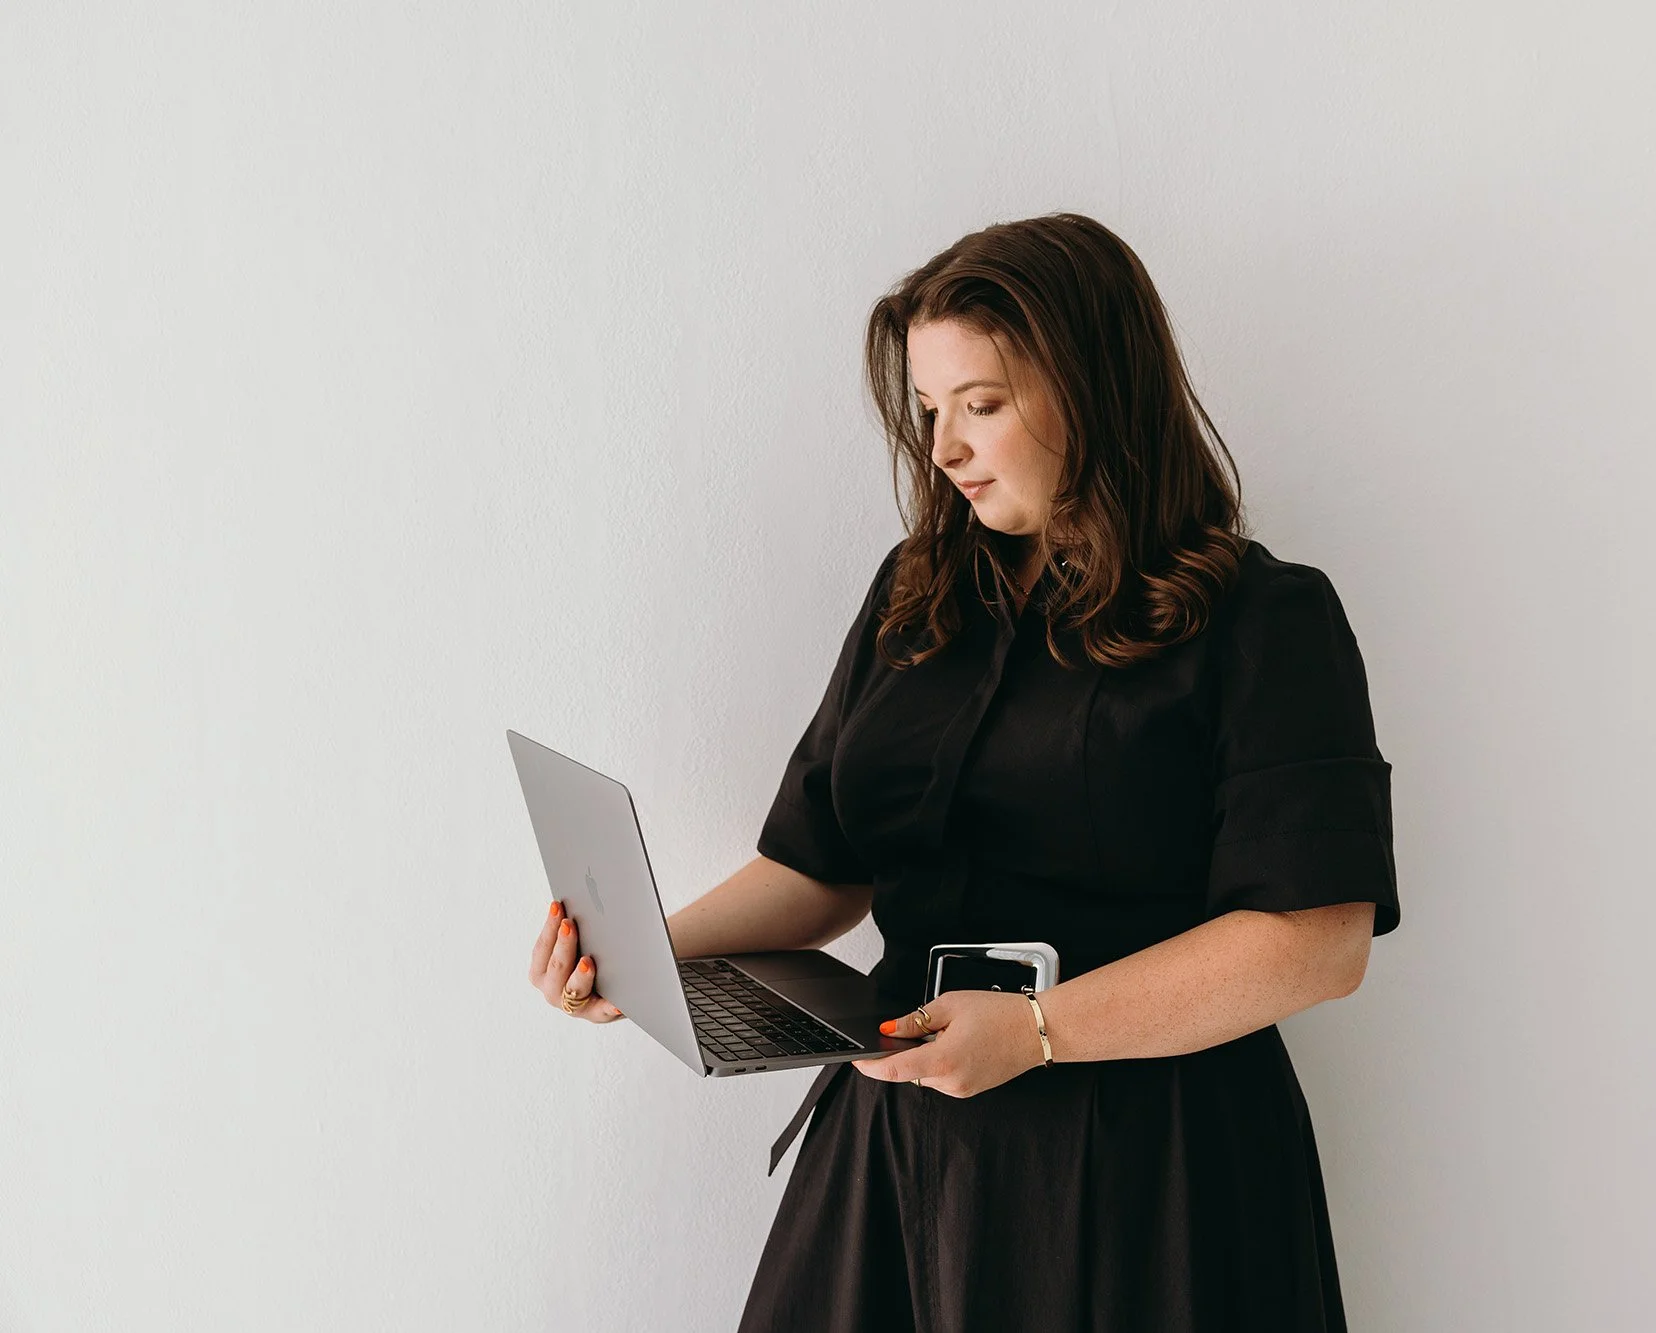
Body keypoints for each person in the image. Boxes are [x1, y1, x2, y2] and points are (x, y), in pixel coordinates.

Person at [527, 212, 1399, 1332]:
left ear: (1096, 388)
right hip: (896, 1137)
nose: (941, 449)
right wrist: (640, 957)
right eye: (929, 410)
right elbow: (818, 871)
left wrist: (1035, 1031)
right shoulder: (915, 594)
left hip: (1150, 1162)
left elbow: (1313, 945)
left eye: (979, 405)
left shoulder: (1266, 621)